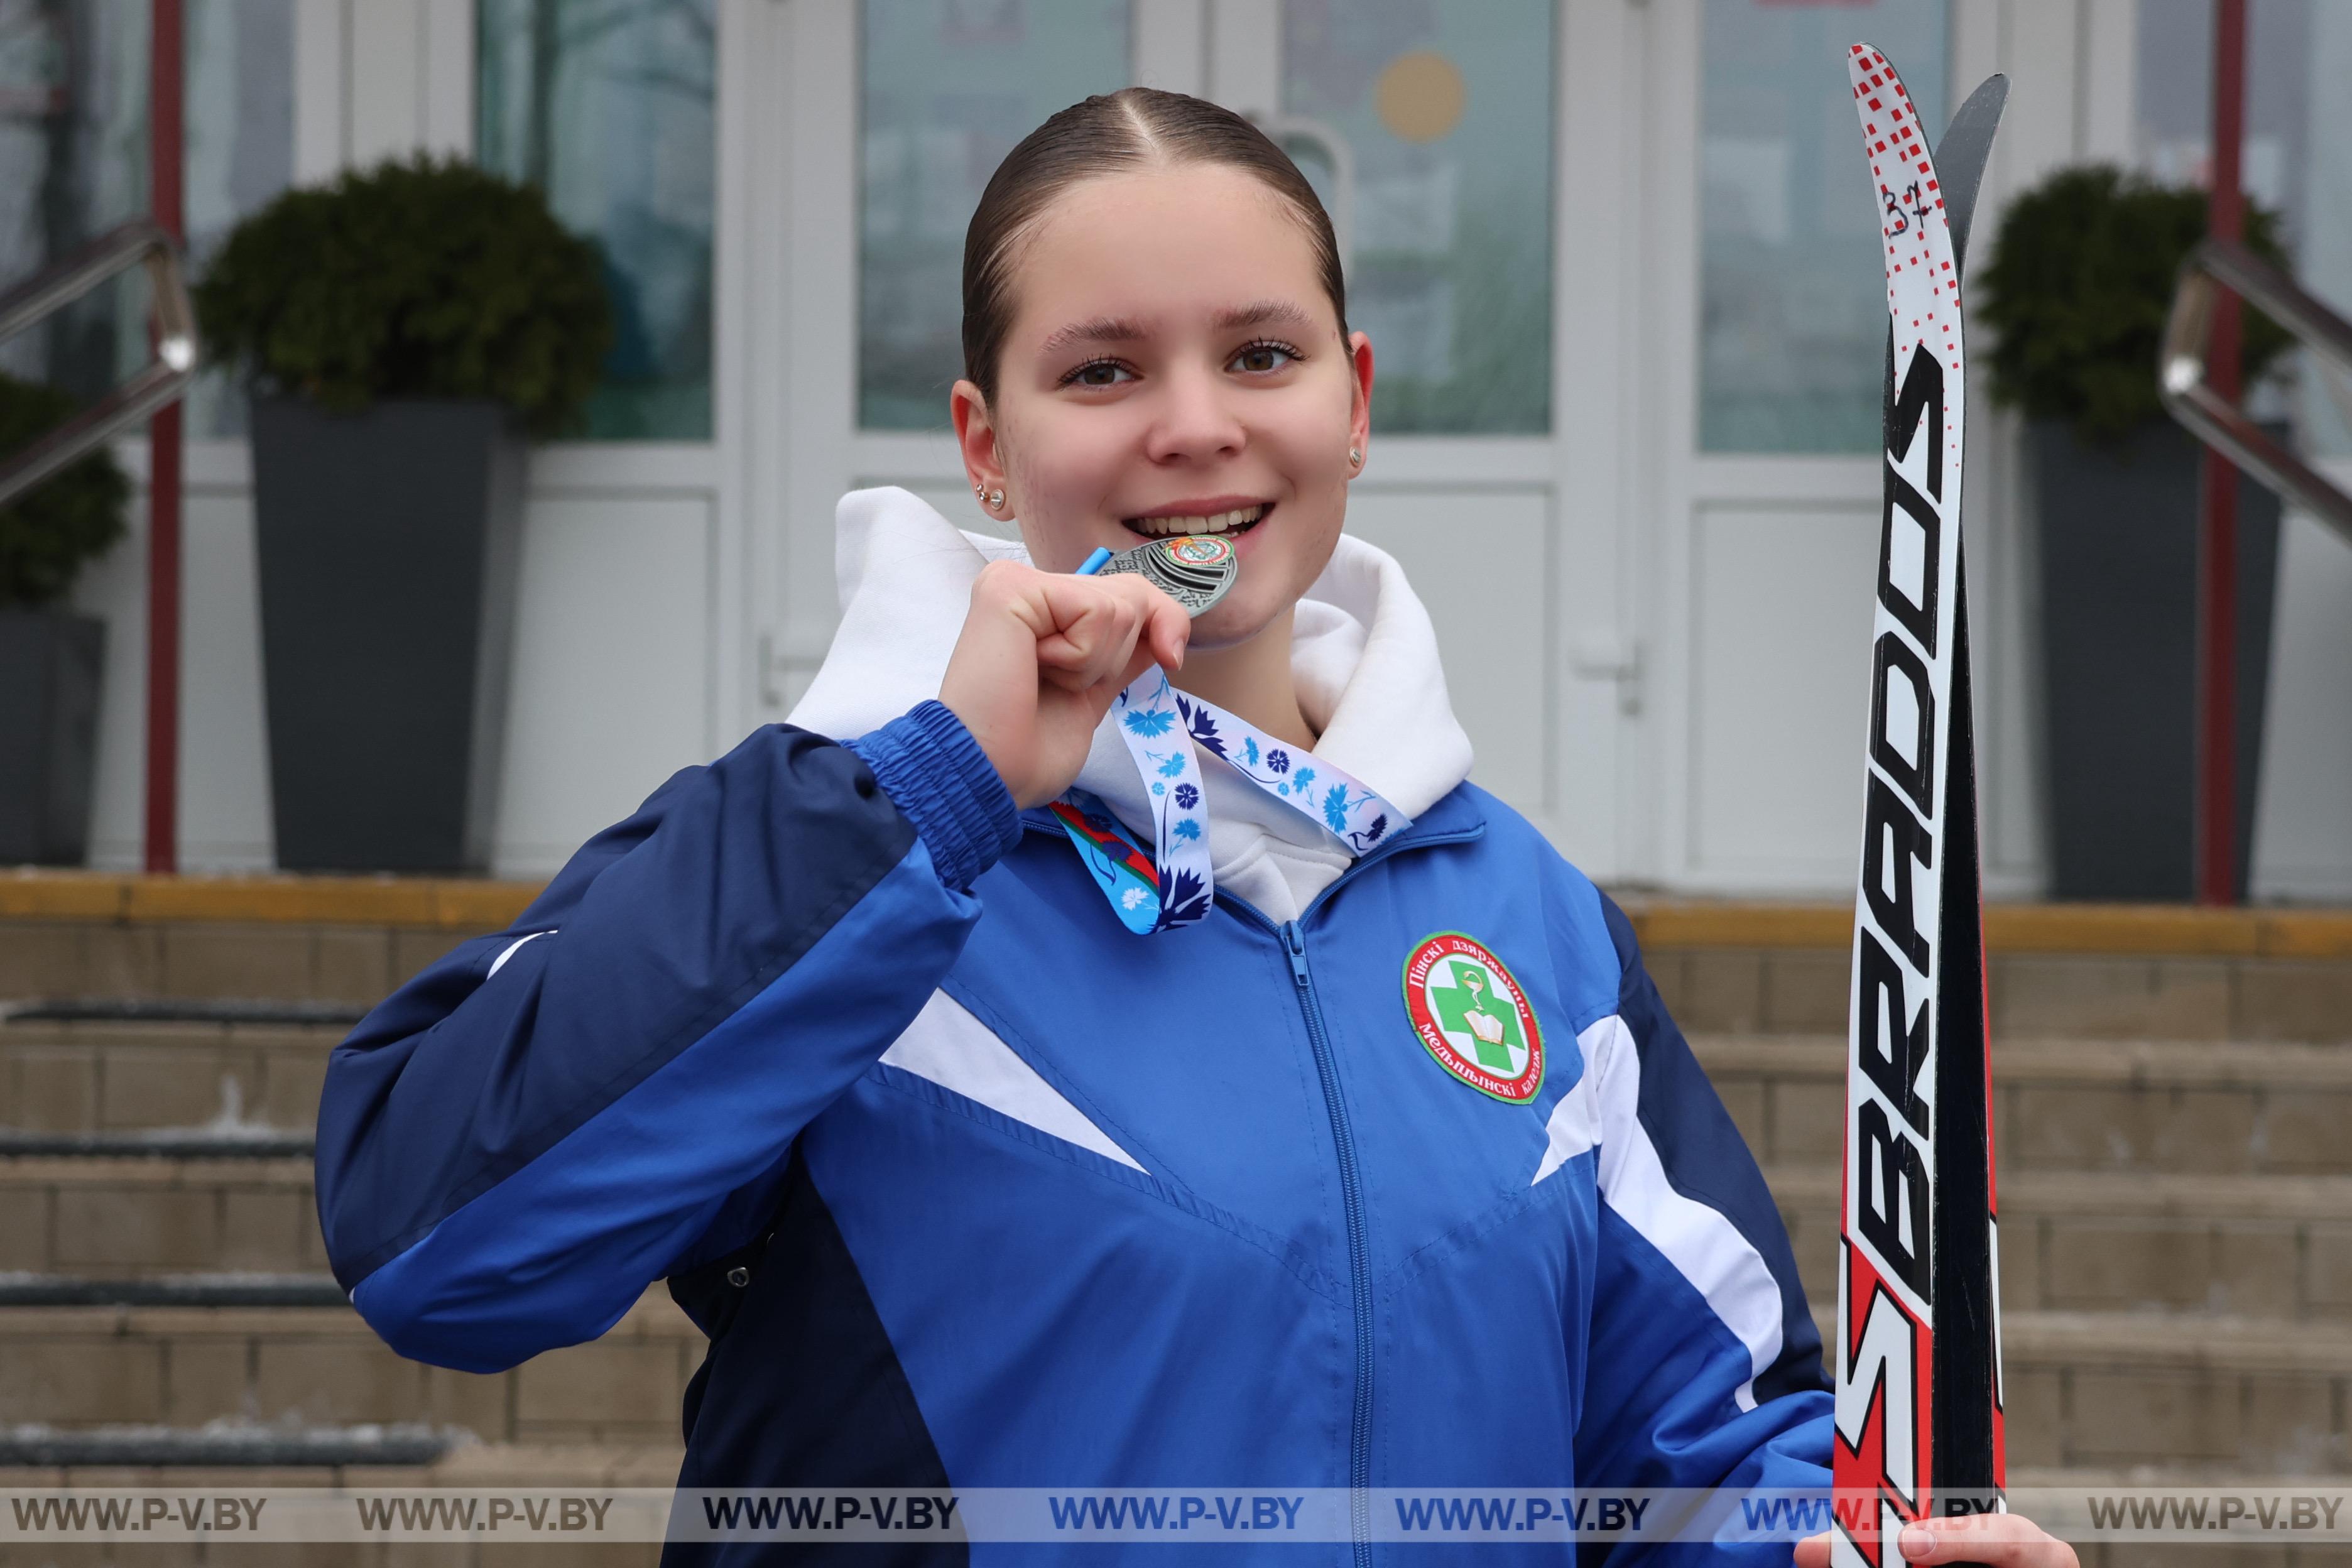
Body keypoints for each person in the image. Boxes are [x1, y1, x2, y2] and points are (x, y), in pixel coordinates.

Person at [313, 88, 2072, 1567]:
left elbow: (1682, 1457)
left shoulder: (1525, 917)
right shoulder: (836, 848)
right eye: (1101, 372)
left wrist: (1830, 1549)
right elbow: (433, 1244)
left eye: (1260, 352)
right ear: (984, 446)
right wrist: (936, 792)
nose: (1196, 427)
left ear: (1357, 400)